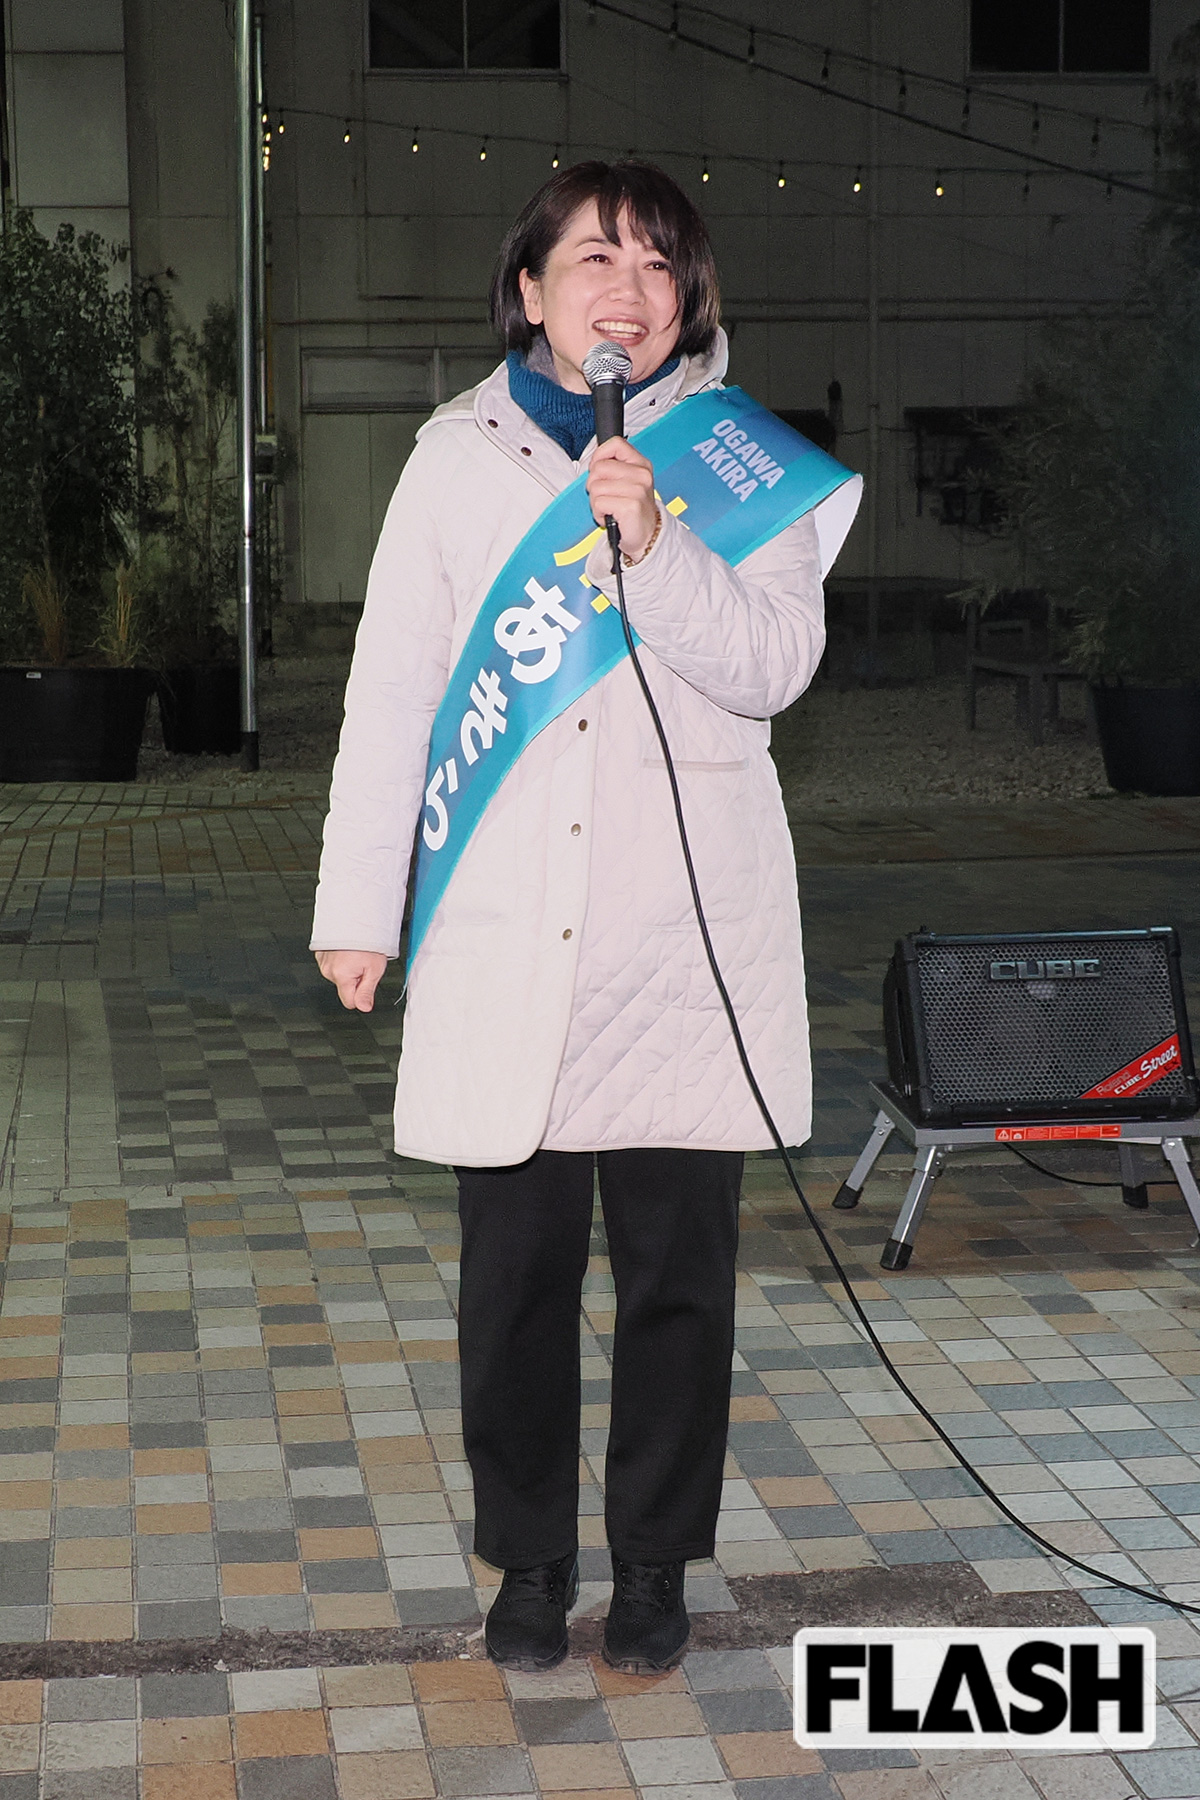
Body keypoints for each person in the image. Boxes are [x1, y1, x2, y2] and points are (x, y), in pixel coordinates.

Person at [310, 160, 842, 1674]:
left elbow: (776, 664)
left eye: (662, 267)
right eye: (596, 258)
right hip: (508, 931)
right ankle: (531, 1565)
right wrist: (362, 907)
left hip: (683, 943)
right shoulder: (450, 461)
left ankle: (658, 1565)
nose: (631, 290)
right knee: (518, 1284)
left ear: (691, 304)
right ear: (531, 288)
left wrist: (657, 545)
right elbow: (395, 698)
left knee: (680, 1284)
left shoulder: (746, 467)